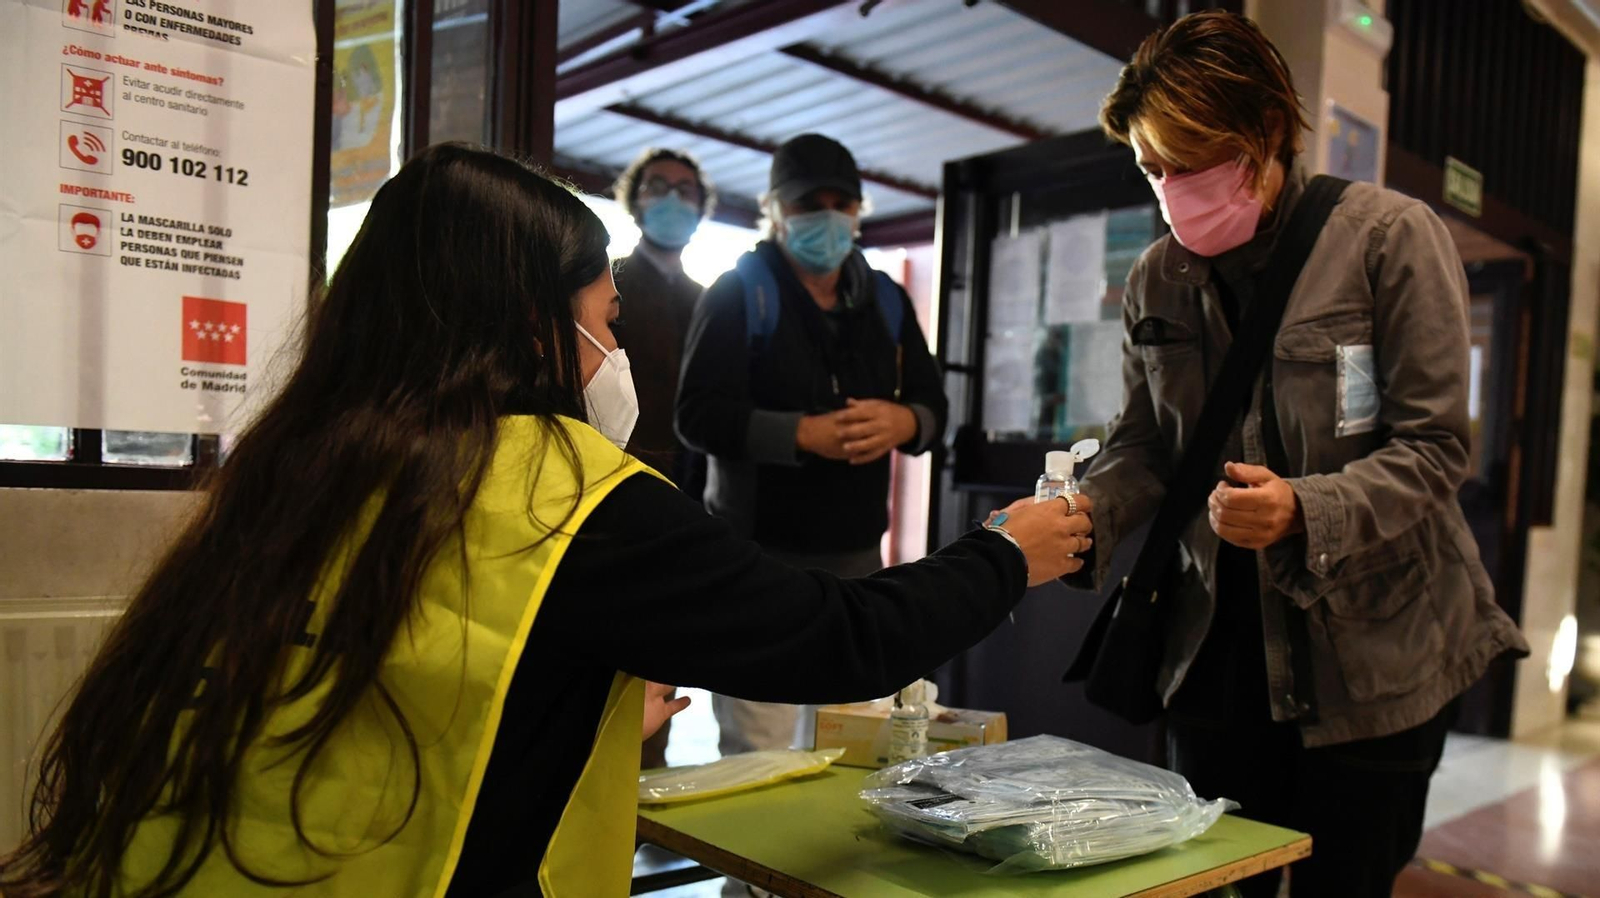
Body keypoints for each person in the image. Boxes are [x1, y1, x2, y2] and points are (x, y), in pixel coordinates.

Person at [0, 144, 1092, 898]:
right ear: (533, 323)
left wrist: (577, 690)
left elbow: (400, 662)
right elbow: (836, 634)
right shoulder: (563, 488)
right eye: (605, 319)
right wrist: (1004, 553)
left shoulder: (315, 453)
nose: (614, 356)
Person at [1065, 12, 1528, 897]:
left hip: (1372, 662)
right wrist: (1082, 513)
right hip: (1215, 658)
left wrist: (1303, 508)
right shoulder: (1158, 277)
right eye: (1150, 168)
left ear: (1265, 135)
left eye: (1187, 162)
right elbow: (1145, 444)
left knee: (1344, 884)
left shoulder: (1388, 239)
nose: (1167, 188)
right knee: (1219, 880)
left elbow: (1433, 449)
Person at [675, 134, 948, 758]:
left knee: (853, 750)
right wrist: (800, 433)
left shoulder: (885, 298)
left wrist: (902, 422)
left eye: (840, 202)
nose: (825, 217)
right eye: (807, 204)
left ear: (857, 210)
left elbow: (936, 411)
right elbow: (696, 416)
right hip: (757, 564)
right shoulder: (739, 292)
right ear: (774, 211)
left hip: (856, 566)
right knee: (759, 754)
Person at [611, 147, 715, 771]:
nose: (673, 200)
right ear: (635, 197)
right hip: (620, 495)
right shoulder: (609, 283)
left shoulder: (711, 297)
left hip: (695, 505)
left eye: (686, 190)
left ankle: (645, 808)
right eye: (658, 186)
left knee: (665, 670)